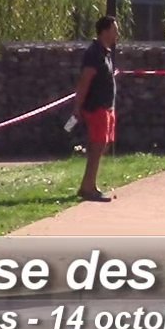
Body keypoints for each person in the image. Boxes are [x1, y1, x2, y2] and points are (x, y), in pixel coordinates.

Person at [72, 15, 118, 202]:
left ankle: (90, 185)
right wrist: (77, 107)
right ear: (105, 31)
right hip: (96, 107)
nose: (117, 34)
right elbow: (84, 81)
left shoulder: (105, 53)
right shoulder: (94, 54)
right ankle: (88, 188)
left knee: (102, 146)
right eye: (115, 29)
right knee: (97, 146)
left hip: (107, 108)